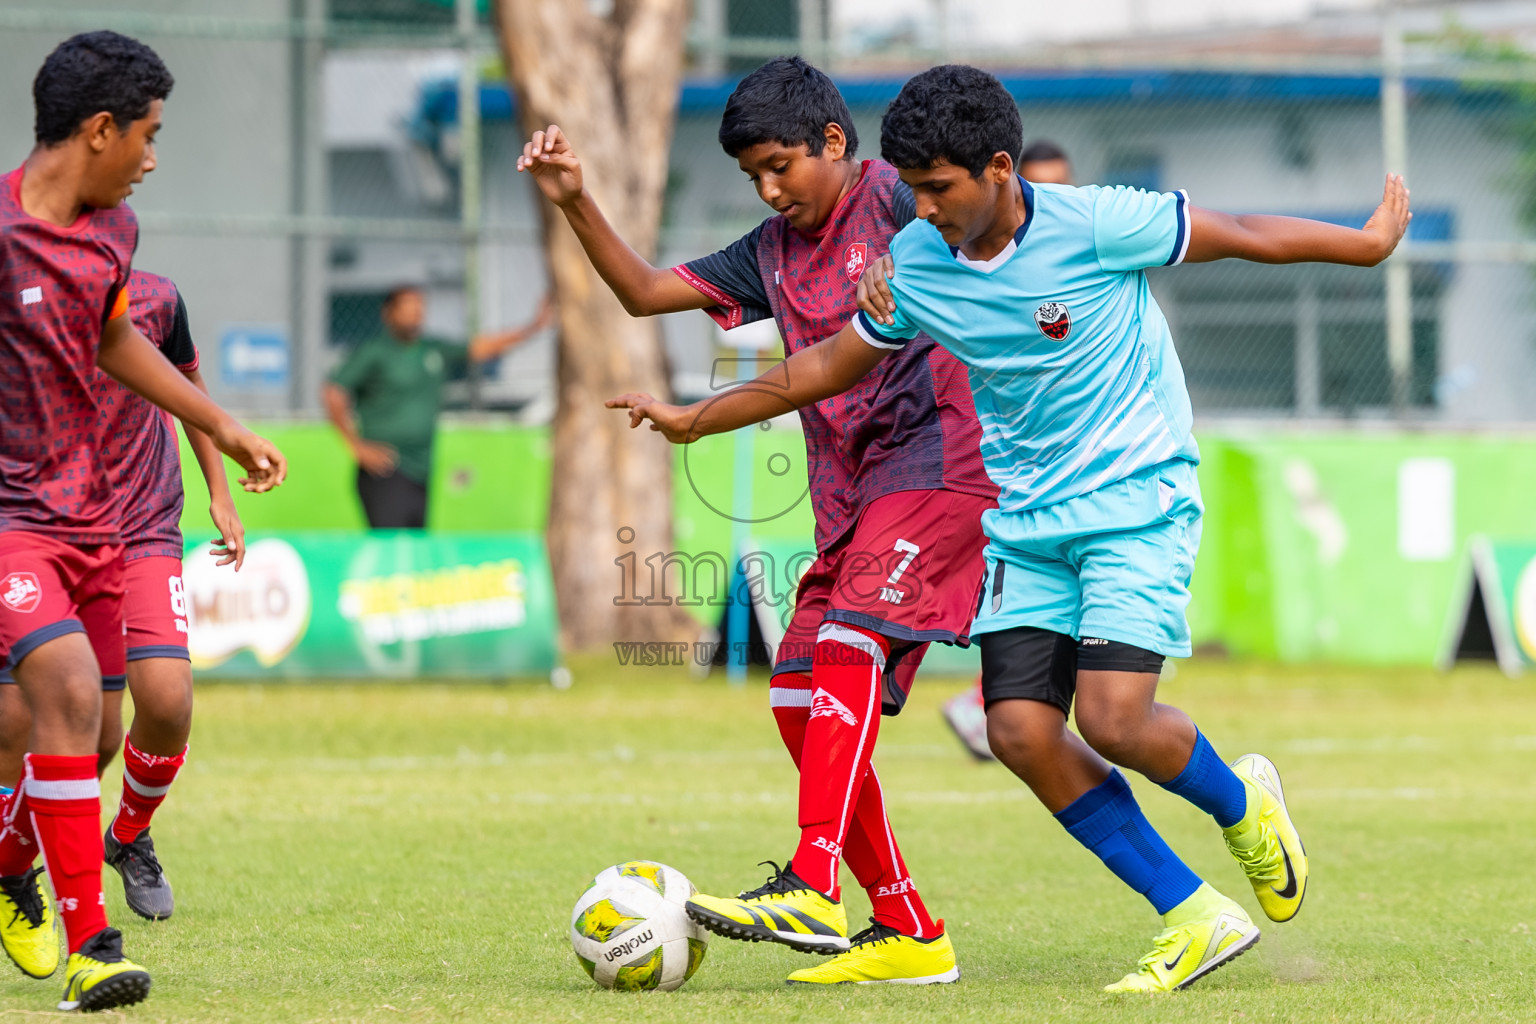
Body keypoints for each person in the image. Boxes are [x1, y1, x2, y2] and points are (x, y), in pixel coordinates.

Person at [612, 63, 1413, 993]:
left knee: (1113, 720)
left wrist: (1365, 247)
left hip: (1137, 503)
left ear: (999, 169)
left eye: (939, 189)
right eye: (911, 189)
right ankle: (1196, 915)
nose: (923, 208)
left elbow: (1241, 233)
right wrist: (694, 415)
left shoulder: (1098, 222)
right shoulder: (914, 261)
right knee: (1021, 733)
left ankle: (1243, 806)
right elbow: (820, 369)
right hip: (1026, 523)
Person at [517, 56, 997, 985]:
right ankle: (906, 929)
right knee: (795, 694)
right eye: (753, 177)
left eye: (783, 165)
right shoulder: (772, 252)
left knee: (851, 643)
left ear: (833, 142)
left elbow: (987, 233)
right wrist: (575, 201)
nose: (771, 189)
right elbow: (646, 293)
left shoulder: (903, 199)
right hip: (851, 498)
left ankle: (815, 880)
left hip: (939, 470)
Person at [0, 31, 285, 1012]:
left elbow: (118, 336)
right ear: (99, 130)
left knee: (108, 719)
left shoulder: (111, 235)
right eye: (149, 136)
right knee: (68, 692)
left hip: (107, 520)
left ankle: (9, 861)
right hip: (13, 518)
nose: (154, 158)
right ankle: (93, 946)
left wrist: (221, 425)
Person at [0, 269, 240, 926]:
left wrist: (219, 491)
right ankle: (13, 867)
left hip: (142, 524)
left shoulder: (159, 298)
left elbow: (190, 387)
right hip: (37, 526)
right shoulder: (17, 293)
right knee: (23, 720)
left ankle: (129, 834)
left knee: (166, 700)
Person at [941, 137, 1075, 763]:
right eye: (1039, 180)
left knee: (1113, 712)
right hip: (1017, 481)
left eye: (1061, 182)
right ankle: (983, 698)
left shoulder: (1087, 246)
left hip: (1100, 483)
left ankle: (990, 698)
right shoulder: (953, 259)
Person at [323, 285, 552, 529]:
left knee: (417, 551)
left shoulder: (431, 349)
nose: (415, 314)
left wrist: (533, 327)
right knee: (392, 548)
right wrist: (357, 447)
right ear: (388, 313)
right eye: (407, 308)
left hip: (422, 468)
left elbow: (480, 348)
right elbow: (334, 392)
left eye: (419, 307)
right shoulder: (375, 352)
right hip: (386, 468)